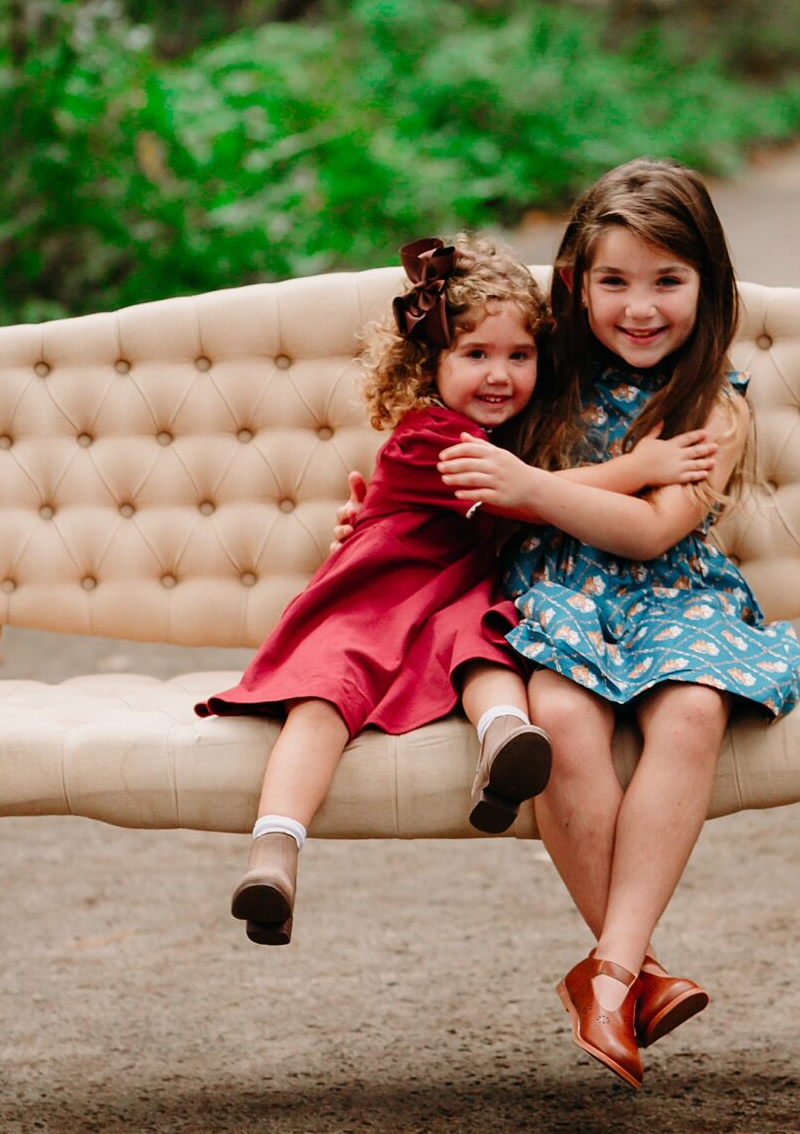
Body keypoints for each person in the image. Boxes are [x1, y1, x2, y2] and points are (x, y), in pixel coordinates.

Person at [195, 230, 721, 947]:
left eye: (518, 355)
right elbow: (528, 496)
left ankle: (506, 745)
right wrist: (643, 465)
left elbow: (531, 488)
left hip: (451, 594)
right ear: (429, 363)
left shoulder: (512, 434)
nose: (498, 374)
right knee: (326, 693)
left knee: (486, 640)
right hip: (378, 594)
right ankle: (274, 852)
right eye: (475, 355)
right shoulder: (431, 439)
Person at [435, 161, 800, 1090]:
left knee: (692, 712)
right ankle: (634, 976)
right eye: (614, 281)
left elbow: (652, 530)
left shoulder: (712, 403)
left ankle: (606, 969)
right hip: (558, 590)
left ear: (707, 286)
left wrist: (532, 489)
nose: (639, 308)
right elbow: (440, 425)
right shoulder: (538, 366)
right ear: (573, 283)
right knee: (561, 724)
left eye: (666, 281)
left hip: (678, 594)